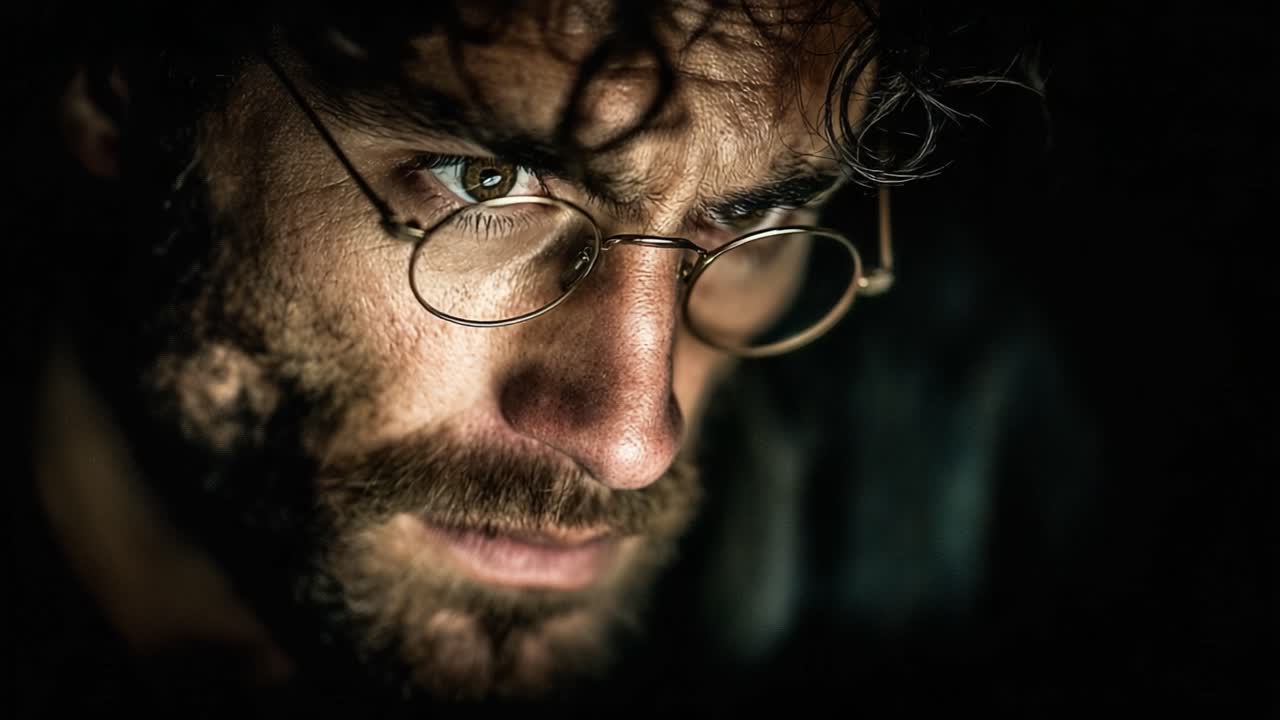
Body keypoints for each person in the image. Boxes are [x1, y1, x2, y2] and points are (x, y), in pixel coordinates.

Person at [5, 0, 996, 715]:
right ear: (128, 100)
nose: (631, 439)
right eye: (485, 184)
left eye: (760, 217)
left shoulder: (972, 548)